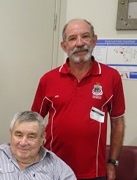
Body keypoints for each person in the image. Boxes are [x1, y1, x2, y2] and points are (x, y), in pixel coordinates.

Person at [31, 19, 125, 180]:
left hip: (94, 172)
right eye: (72, 38)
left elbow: (117, 123)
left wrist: (112, 162)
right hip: (52, 169)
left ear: (94, 41)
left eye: (85, 36)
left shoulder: (111, 77)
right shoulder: (48, 79)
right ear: (64, 46)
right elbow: (33, 122)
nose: (79, 43)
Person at [0, 111, 76, 180]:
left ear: (42, 138)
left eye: (31, 136)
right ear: (11, 135)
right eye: (18, 135)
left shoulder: (56, 166)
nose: (23, 143)